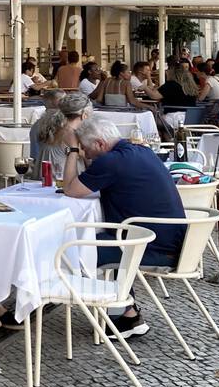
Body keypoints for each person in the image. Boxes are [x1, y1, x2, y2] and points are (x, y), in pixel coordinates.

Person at [62, 116, 187, 339]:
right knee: (104, 237)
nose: (85, 154)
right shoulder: (142, 151)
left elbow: (71, 189)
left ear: (100, 144)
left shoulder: (111, 162)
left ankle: (121, 315)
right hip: (172, 242)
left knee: (81, 250)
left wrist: (71, 150)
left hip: (154, 249)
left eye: (86, 149)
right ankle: (128, 313)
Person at [34, 90, 92, 181]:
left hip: (44, 180)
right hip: (64, 182)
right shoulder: (73, 134)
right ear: (84, 115)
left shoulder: (51, 127)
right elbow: (91, 162)